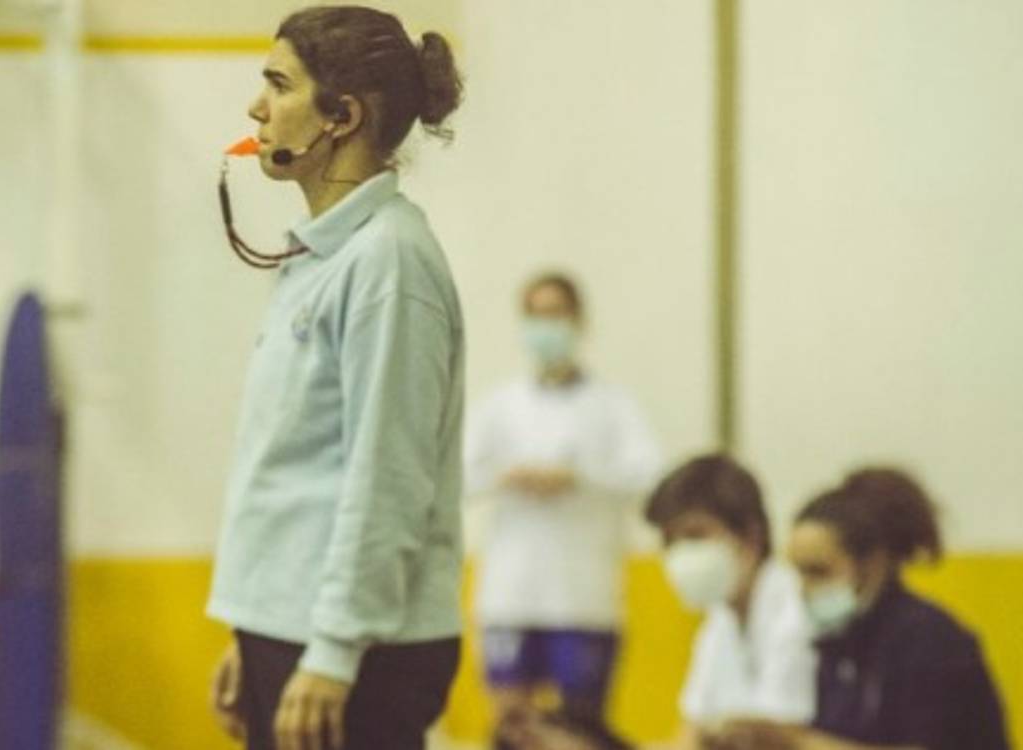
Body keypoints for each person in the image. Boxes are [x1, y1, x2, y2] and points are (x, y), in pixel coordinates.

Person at [204, 6, 466, 750]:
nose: (256, 108)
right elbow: (300, 469)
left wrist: (333, 650)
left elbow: (388, 475)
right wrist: (256, 623)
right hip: (295, 626)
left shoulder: (388, 261)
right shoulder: (326, 255)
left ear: (342, 116)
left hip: (362, 652)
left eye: (278, 85)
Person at [463, 272, 662, 746]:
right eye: (535, 314)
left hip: (583, 597)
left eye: (556, 314)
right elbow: (454, 476)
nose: (545, 325)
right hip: (511, 594)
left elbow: (650, 475)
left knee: (578, 730)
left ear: (579, 321)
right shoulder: (499, 405)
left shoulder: (613, 406)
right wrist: (505, 476)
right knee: (511, 728)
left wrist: (580, 476)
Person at [505, 455, 817, 750]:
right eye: (669, 541)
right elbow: (689, 735)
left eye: (696, 534)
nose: (681, 553)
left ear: (751, 535)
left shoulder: (794, 608)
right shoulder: (720, 621)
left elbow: (776, 737)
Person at [719, 468, 1010, 750]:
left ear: (871, 565)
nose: (803, 589)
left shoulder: (933, 642)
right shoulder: (833, 644)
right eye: (798, 573)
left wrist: (795, 743)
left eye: (818, 572)